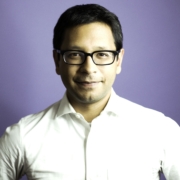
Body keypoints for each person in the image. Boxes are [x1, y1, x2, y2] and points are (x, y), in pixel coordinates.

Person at [0, 4, 180, 180]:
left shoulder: (161, 130)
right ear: (57, 61)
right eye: (75, 54)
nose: (88, 68)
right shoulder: (22, 136)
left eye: (102, 54)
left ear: (118, 61)